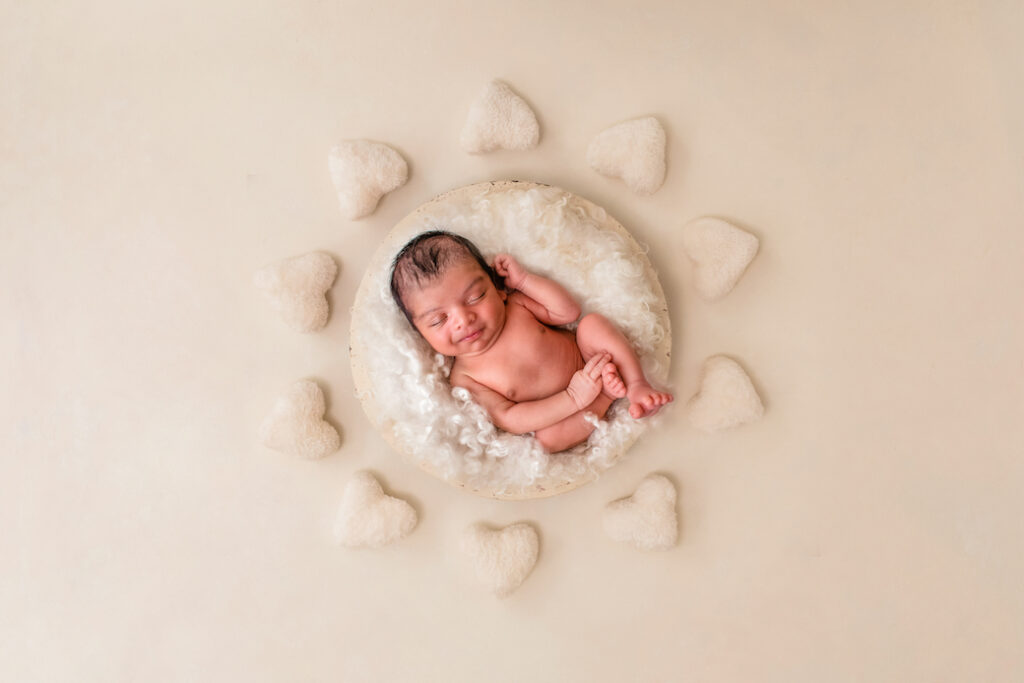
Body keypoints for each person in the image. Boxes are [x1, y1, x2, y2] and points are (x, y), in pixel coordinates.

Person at [389, 230, 672, 453]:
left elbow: (567, 312)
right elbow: (510, 418)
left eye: (475, 297)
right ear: (421, 335)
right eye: (439, 320)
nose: (463, 319)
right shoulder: (465, 380)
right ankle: (606, 397)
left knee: (591, 325)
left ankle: (636, 384)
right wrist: (574, 398)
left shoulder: (516, 307)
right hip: (567, 410)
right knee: (547, 440)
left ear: (498, 289)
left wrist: (523, 281)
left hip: (589, 359)